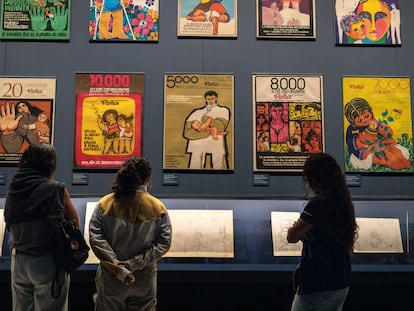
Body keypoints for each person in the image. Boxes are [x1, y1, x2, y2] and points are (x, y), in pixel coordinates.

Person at [89, 156, 172, 310]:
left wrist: (119, 268)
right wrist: (133, 264)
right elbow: (164, 243)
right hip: (143, 279)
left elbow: (96, 239)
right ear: (147, 179)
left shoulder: (105, 204)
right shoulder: (158, 208)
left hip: (112, 278)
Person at [4, 142, 80, 311]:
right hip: (47, 260)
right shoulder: (56, 189)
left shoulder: (13, 188)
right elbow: (75, 223)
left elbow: (9, 223)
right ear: (50, 164)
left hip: (19, 260)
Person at [287, 153, 358, 311]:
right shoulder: (343, 202)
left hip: (317, 281)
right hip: (340, 279)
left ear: (314, 178)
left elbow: (292, 236)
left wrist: (296, 229)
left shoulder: (317, 204)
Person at [183, 90, 230, 169]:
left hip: (214, 139)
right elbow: (188, 129)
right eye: (208, 99)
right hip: (198, 140)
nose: (211, 101)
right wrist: (208, 122)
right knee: (196, 161)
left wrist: (204, 121)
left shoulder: (223, 110)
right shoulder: (197, 111)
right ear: (205, 99)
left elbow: (221, 125)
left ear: (216, 99)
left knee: (218, 162)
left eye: (212, 98)